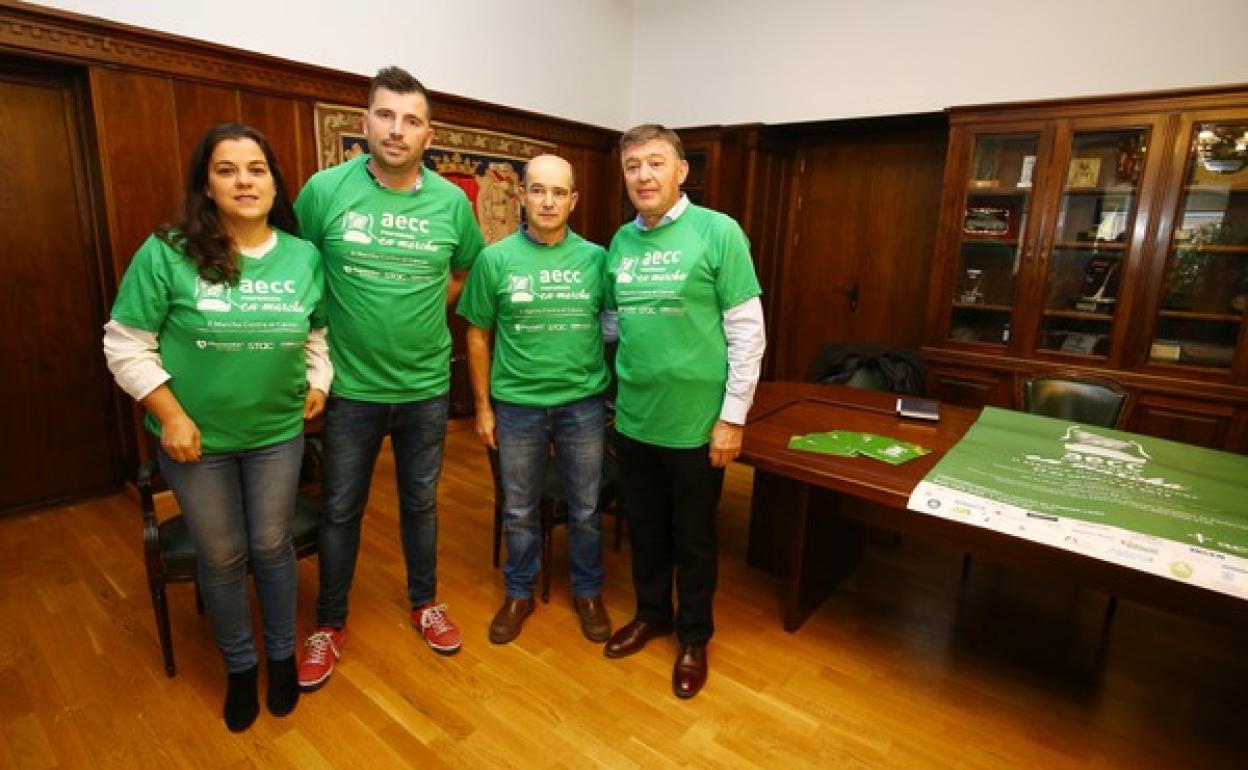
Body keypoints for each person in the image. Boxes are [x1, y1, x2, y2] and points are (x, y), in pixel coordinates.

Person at [103, 123, 330, 732]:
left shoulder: (303, 255)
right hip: (195, 442)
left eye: (256, 168)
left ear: (274, 180)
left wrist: (319, 380)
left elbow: (316, 331)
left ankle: (280, 658)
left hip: (277, 435)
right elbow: (125, 343)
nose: (244, 180)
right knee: (224, 555)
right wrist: (170, 415)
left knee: (272, 548)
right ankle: (238, 667)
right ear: (206, 184)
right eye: (227, 169)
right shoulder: (168, 251)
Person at [293, 66, 484, 690]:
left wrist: (421, 310)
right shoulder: (324, 191)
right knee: (342, 508)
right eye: (385, 115)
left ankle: (425, 603)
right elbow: (299, 270)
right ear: (364, 121)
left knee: (420, 503)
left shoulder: (452, 202)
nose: (396, 130)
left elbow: (463, 275)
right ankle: (329, 624)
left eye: (411, 120)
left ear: (429, 134)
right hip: (349, 390)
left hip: (427, 386)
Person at [602, 124, 766, 699]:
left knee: (694, 540)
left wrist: (733, 417)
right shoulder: (620, 243)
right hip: (635, 419)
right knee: (646, 531)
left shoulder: (717, 232)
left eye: (654, 163)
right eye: (632, 167)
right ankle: (653, 614)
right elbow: (616, 324)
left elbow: (748, 332)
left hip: (698, 425)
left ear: (680, 171)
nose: (643, 176)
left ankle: (694, 637)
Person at [456, 154, 612, 644]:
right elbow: (477, 335)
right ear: (522, 196)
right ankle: (519, 591)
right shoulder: (495, 260)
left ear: (574, 200)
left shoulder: (596, 259)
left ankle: (588, 591)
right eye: (538, 190)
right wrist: (482, 407)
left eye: (559, 192)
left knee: (585, 508)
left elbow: (614, 324)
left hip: (583, 406)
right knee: (519, 508)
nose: (548, 201)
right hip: (517, 406)